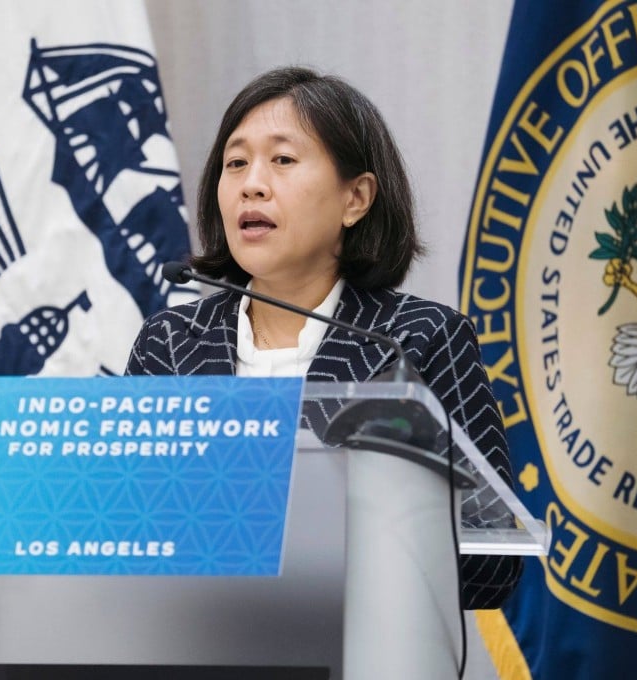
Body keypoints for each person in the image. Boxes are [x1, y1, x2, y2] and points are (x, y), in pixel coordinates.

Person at [126, 66, 521, 609]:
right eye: (235, 163)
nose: (251, 183)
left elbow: (493, 566)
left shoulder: (416, 341)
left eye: (282, 160)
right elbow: (125, 532)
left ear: (355, 198)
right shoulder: (168, 344)